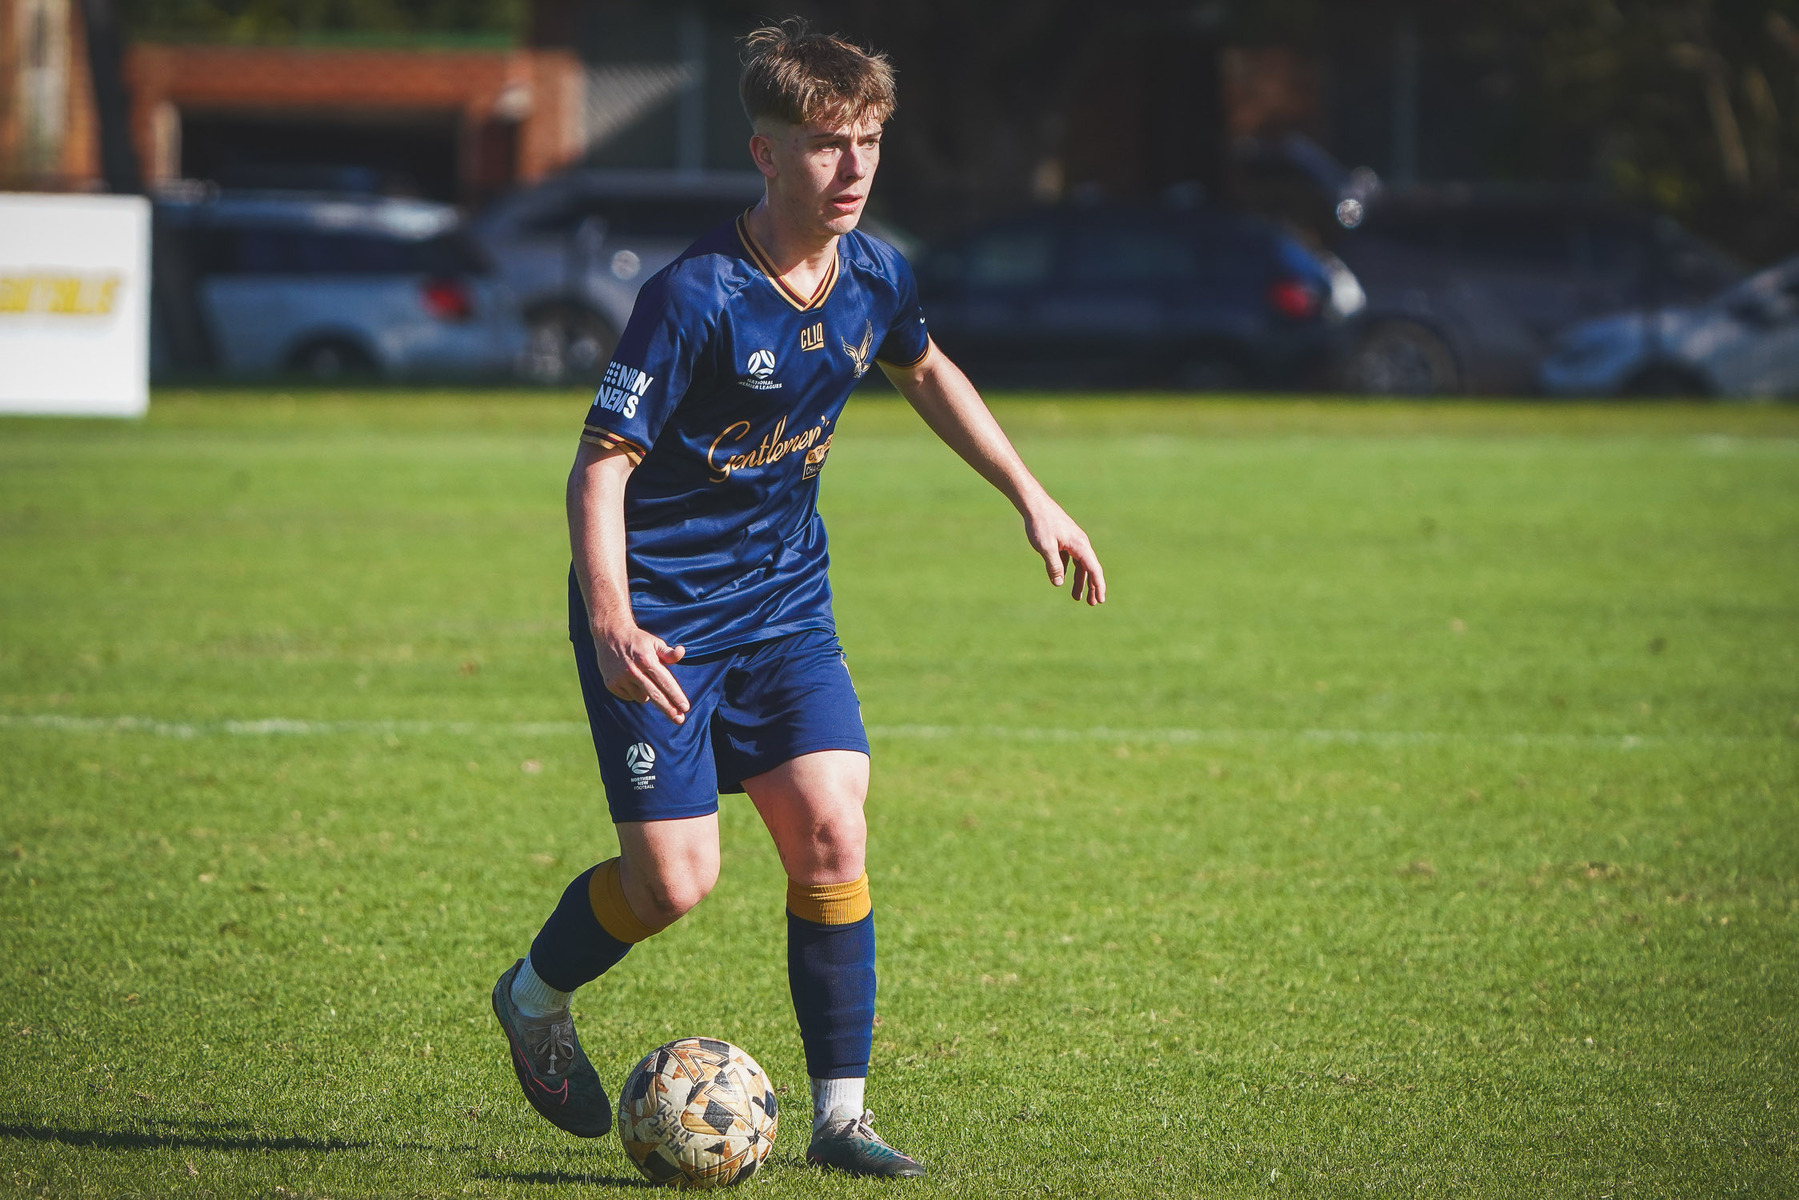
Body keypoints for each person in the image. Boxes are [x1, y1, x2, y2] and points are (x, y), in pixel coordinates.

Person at [491, 17, 1105, 1179]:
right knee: (674, 883)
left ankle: (839, 1120)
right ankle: (531, 999)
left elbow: (924, 369)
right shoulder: (695, 297)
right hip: (657, 620)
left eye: (868, 140)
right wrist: (614, 621)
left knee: (831, 826)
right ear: (766, 155)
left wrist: (1030, 495)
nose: (855, 167)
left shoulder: (875, 270)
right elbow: (600, 468)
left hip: (782, 610)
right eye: (827, 144)